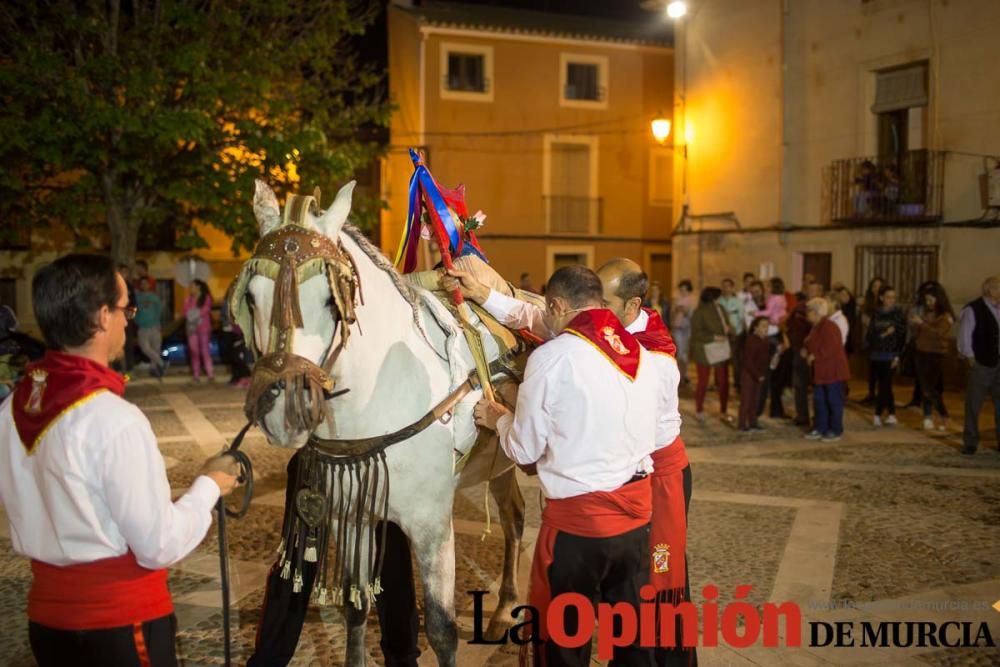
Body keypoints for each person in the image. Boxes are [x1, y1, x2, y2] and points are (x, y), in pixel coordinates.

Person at [445, 258, 694, 667]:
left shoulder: (559, 358)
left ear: (630, 307)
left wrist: (500, 416)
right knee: (632, 633)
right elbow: (533, 316)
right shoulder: (645, 352)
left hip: (592, 518)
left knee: (566, 639)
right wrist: (486, 294)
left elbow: (525, 449)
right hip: (634, 516)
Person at [0, 254, 239, 667]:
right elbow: (157, 544)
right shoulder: (113, 419)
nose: (130, 320)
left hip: (46, 623)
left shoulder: (11, 409)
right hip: (119, 624)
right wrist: (209, 487)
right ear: (102, 317)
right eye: (126, 308)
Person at [956, 275, 1000, 454]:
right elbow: (964, 336)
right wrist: (972, 359)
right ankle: (971, 441)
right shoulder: (973, 309)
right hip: (982, 363)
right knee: (974, 404)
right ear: (990, 290)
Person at [803, 298, 851, 442]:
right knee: (820, 401)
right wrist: (806, 350)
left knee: (833, 401)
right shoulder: (817, 326)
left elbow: (831, 348)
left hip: (832, 372)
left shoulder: (830, 326)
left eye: (809, 310)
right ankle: (820, 427)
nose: (807, 313)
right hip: (821, 372)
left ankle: (835, 430)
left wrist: (814, 356)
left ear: (816, 312)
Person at [911, 283, 954, 431]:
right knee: (924, 387)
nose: (928, 303)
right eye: (926, 300)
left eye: (931, 299)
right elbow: (920, 332)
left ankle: (944, 415)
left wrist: (922, 323)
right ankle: (927, 416)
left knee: (930, 388)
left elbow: (939, 333)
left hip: (935, 354)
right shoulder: (927, 313)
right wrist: (916, 325)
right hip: (921, 352)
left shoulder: (946, 316)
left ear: (939, 299)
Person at [866, 285, 907, 426]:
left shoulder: (898, 314)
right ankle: (892, 414)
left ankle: (877, 413)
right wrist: (884, 334)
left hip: (891, 355)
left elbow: (902, 336)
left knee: (885, 384)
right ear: (882, 298)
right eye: (888, 297)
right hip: (877, 354)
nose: (891, 300)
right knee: (884, 386)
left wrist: (898, 356)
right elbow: (871, 334)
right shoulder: (876, 314)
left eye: (894, 297)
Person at [690, 286, 731, 423]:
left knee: (723, 381)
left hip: (720, 349)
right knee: (703, 381)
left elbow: (727, 324)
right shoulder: (699, 312)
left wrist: (728, 329)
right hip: (704, 350)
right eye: (717, 298)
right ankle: (699, 409)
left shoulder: (720, 309)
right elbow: (697, 333)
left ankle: (723, 410)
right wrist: (714, 337)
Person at [786, 281, 823, 427]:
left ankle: (818, 417)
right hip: (798, 350)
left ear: (820, 292)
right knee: (799, 384)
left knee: (817, 385)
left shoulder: (823, 309)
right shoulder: (799, 307)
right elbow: (790, 325)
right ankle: (802, 416)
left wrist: (810, 349)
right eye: (809, 290)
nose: (811, 293)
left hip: (815, 353)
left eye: (814, 291)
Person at [740, 316, 770, 432]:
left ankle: (753, 422)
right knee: (746, 400)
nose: (766, 328)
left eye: (767, 326)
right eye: (763, 326)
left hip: (759, 375)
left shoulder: (765, 340)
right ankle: (742, 424)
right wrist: (757, 375)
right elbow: (748, 361)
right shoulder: (751, 340)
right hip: (749, 374)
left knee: (755, 400)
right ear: (756, 327)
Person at [859, 276, 885, 403]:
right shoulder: (867, 303)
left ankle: (881, 394)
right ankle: (871, 393)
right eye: (874, 286)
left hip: (883, 340)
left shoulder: (885, 303)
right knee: (871, 369)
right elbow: (864, 321)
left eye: (879, 286)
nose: (877, 289)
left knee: (882, 369)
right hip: (870, 340)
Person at [183, 279, 214, 382]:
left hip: (204, 328)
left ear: (198, 287)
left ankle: (210, 373)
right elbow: (185, 312)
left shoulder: (206, 298)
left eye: (192, 286)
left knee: (205, 351)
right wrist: (194, 314)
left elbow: (205, 310)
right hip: (192, 329)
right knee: (194, 351)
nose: (191, 288)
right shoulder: (188, 299)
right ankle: (196, 374)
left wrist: (193, 314)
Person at [135, 277, 166, 379]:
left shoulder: (155, 297)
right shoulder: (137, 297)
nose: (144, 285)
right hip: (142, 327)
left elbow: (159, 311)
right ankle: (161, 362)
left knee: (156, 349)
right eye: (142, 283)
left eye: (146, 283)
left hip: (154, 326)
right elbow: (134, 311)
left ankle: (155, 370)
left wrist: (158, 325)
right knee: (145, 348)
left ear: (149, 285)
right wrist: (137, 321)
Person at [718, 278, 745, 390]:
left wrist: (738, 332)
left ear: (732, 287)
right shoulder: (718, 301)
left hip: (735, 334)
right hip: (722, 334)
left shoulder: (738, 302)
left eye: (728, 286)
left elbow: (741, 318)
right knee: (720, 360)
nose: (726, 288)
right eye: (723, 286)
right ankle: (720, 384)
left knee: (736, 360)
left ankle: (737, 384)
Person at [671, 279, 696, 384]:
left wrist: (684, 310)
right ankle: (681, 374)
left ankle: (683, 374)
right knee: (679, 351)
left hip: (686, 327)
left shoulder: (692, 300)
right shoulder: (677, 299)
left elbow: (691, 314)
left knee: (684, 352)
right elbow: (672, 313)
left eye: (684, 290)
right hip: (677, 327)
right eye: (681, 290)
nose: (682, 292)